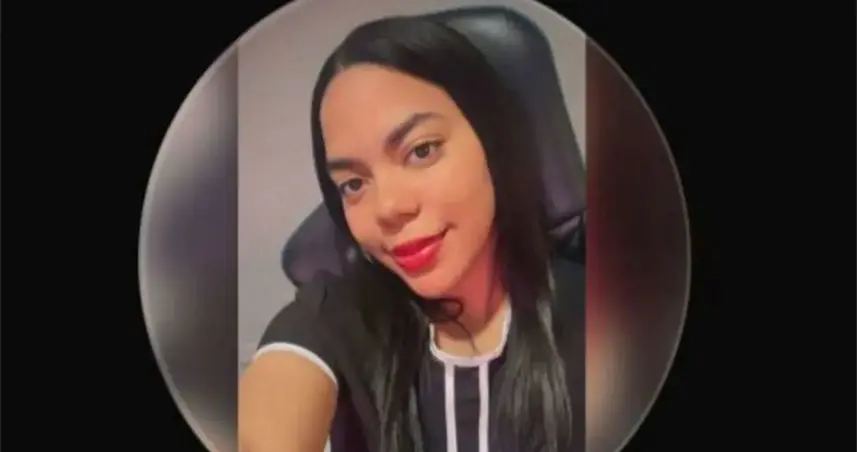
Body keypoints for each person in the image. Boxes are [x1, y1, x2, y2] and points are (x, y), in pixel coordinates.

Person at [239, 12, 585, 452]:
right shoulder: (340, 316)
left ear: (493, 142)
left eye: (421, 150)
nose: (388, 208)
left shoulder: (604, 316)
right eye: (353, 184)